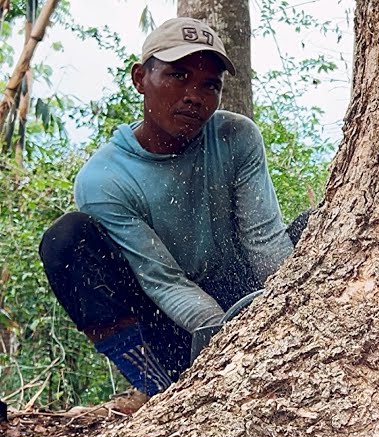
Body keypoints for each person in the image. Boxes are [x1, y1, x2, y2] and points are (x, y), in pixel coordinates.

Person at [39, 17, 305, 409]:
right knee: (67, 240)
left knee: (326, 224)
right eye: (178, 76)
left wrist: (283, 317)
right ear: (140, 78)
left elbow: (265, 242)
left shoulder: (236, 136)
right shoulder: (106, 179)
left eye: (209, 84)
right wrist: (224, 345)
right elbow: (163, 281)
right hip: (177, 328)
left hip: (251, 302)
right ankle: (159, 392)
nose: (194, 95)